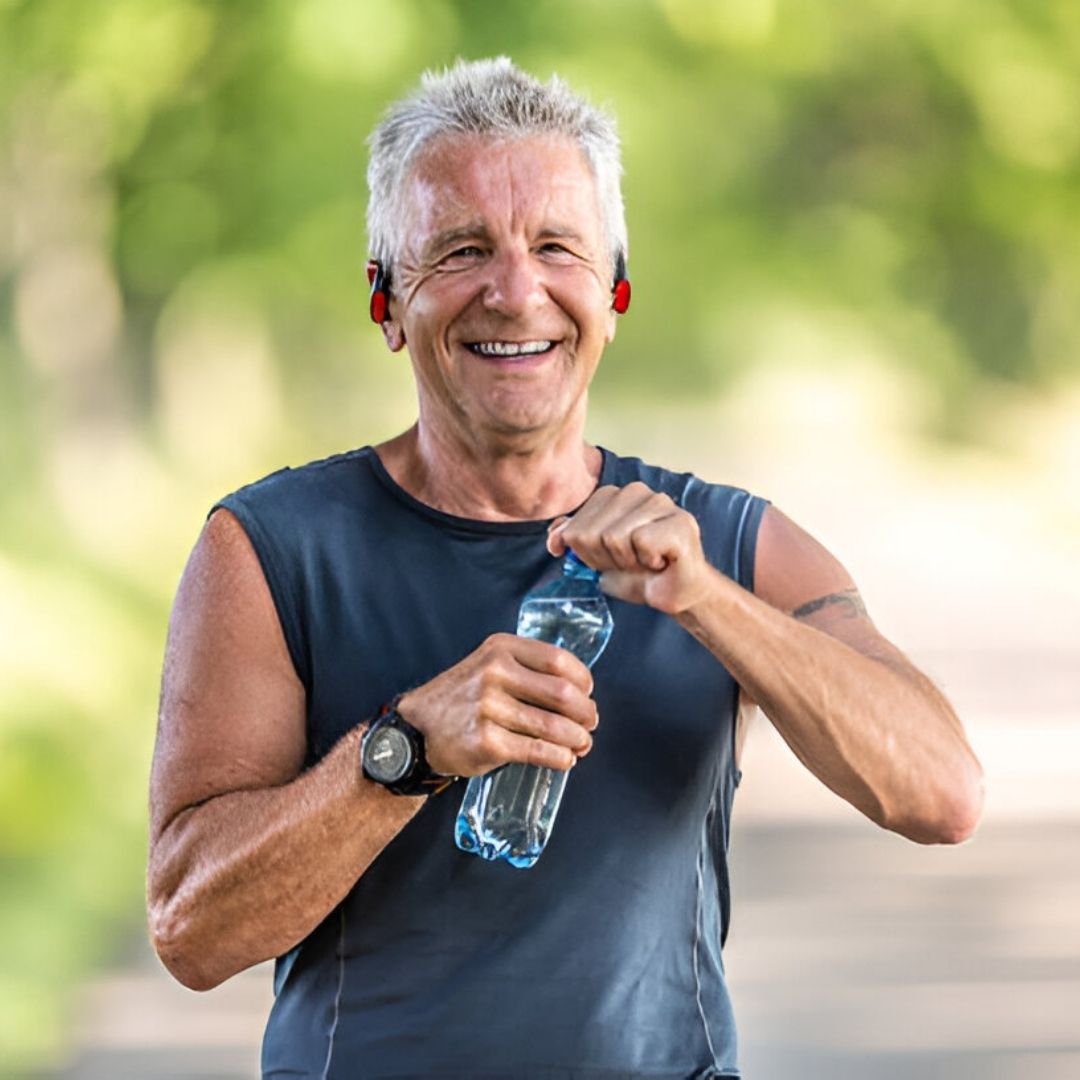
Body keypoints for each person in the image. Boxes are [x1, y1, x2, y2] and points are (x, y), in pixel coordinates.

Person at [147, 57, 984, 1079]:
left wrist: (707, 602)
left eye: (557, 247)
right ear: (384, 301)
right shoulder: (269, 551)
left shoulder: (732, 544)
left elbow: (941, 796)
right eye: (460, 250)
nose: (515, 290)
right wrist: (409, 749)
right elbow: (192, 930)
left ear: (616, 292)